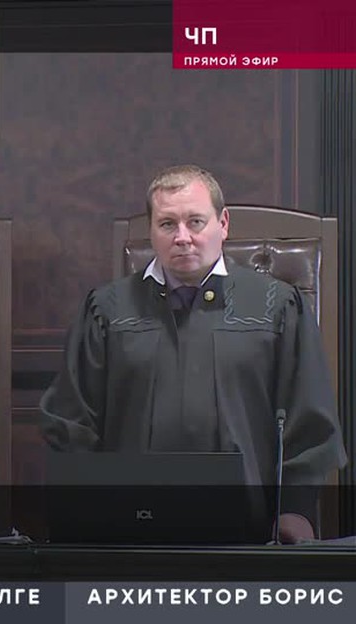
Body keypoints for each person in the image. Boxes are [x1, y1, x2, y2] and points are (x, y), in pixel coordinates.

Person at [40, 164, 348, 543]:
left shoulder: (277, 306)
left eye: (196, 222)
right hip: (128, 531)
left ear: (223, 224)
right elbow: (71, 422)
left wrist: (295, 511)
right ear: (151, 231)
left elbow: (309, 420)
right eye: (167, 224)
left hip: (251, 533)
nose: (182, 237)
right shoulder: (107, 310)